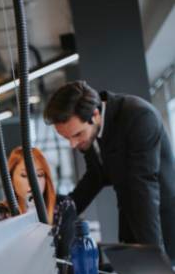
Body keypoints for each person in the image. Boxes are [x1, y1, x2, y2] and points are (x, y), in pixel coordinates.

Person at [44, 80, 175, 263]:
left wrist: (154, 258)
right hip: (132, 222)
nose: (73, 144)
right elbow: (96, 176)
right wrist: (60, 211)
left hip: (162, 225)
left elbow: (143, 188)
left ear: (95, 114)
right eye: (66, 138)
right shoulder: (91, 131)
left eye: (77, 135)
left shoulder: (139, 116)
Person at [0, 146, 76, 259]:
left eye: (40, 175)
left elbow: (67, 258)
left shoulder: (63, 205)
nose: (34, 182)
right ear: (10, 179)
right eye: (24, 175)